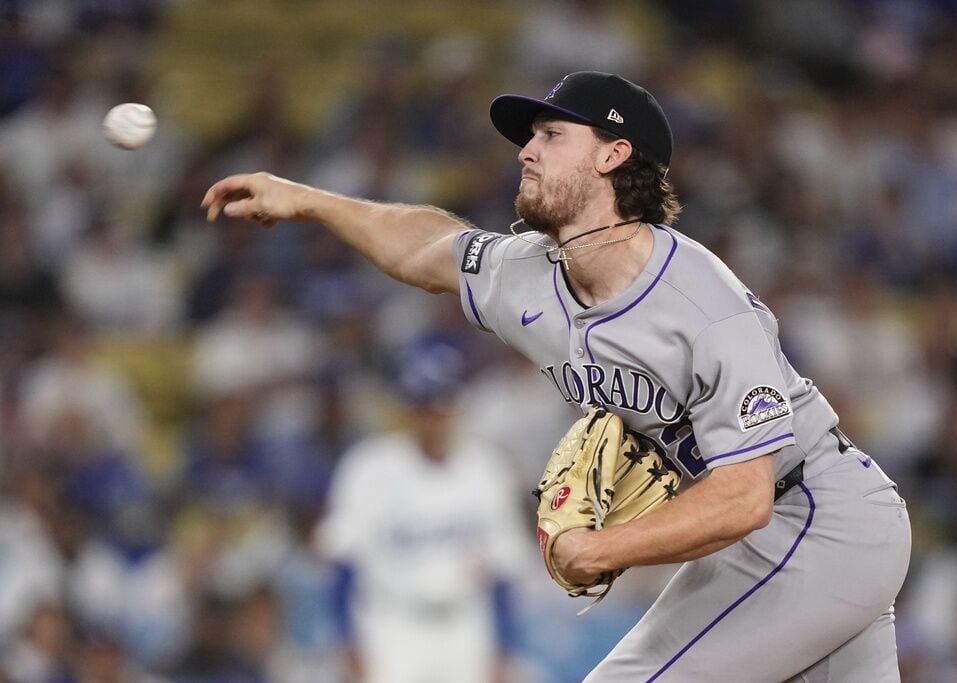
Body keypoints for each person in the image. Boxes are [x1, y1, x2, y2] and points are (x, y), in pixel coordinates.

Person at [203, 71, 913, 682]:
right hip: (775, 533)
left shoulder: (704, 303)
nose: (527, 150)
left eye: (551, 135)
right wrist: (310, 200)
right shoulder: (530, 272)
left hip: (816, 515)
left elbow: (746, 495)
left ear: (613, 154)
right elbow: (425, 248)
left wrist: (599, 547)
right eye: (530, 137)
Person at [313, 338, 530, 683]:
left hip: (467, 625)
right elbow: (343, 562)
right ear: (406, 408)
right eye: (421, 404)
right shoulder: (367, 468)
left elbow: (503, 568)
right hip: (391, 626)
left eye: (440, 402)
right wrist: (348, 641)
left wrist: (504, 646)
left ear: (457, 404)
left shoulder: (487, 469)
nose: (430, 416)